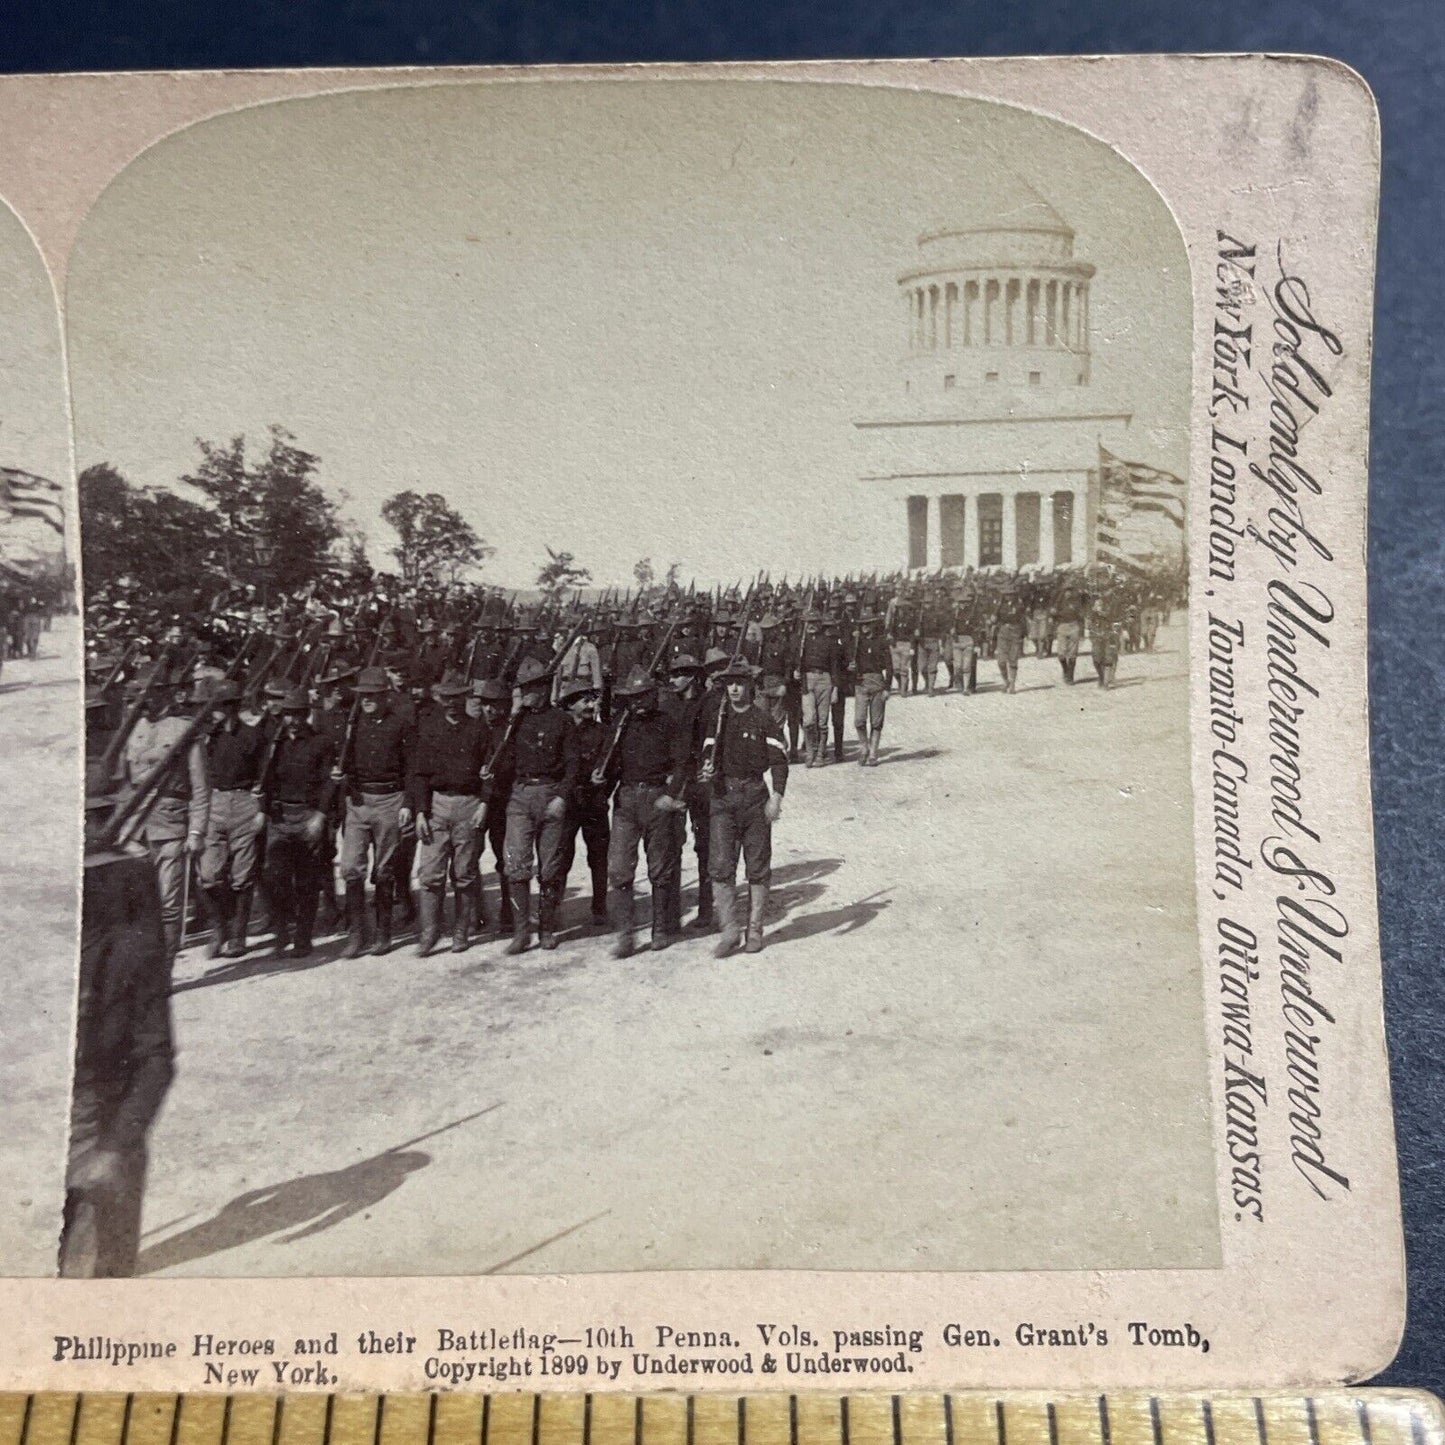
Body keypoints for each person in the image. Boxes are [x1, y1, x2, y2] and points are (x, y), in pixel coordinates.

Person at [62, 804, 175, 1277]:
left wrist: (113, 1148)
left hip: (100, 1119)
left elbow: (155, 1060)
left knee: (91, 1273)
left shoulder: (131, 957)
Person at [700, 657, 788, 957]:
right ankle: (729, 931)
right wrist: (707, 768)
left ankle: (755, 930)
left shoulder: (762, 719)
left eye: (740, 683)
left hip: (754, 798)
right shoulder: (719, 718)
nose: (734, 688)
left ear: (750, 686)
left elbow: (779, 761)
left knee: (757, 867)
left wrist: (776, 796)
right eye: (729, 684)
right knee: (721, 866)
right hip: (722, 797)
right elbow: (707, 750)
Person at [488, 656, 577, 954]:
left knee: (550, 867)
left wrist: (562, 796)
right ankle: (521, 932)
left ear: (543, 687)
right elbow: (501, 757)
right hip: (520, 795)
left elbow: (573, 764)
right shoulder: (516, 721)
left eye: (529, 688)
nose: (524, 693)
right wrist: (513, 716)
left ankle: (547, 930)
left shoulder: (562, 721)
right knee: (516, 865)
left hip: (550, 793)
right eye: (521, 688)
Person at [121, 668, 210, 962]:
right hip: (135, 827)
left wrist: (197, 831)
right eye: (140, 694)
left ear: (164, 693)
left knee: (169, 901)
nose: (144, 700)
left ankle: (166, 966)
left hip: (172, 822)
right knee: (139, 901)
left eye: (151, 693)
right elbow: (123, 782)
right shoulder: (133, 729)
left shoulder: (183, 728)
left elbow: (200, 786)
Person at [599, 666, 688, 956]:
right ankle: (625, 934)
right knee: (619, 869)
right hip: (626, 800)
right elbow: (610, 764)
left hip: (657, 798)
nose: (637, 702)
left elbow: (681, 763)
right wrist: (601, 781)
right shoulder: (620, 725)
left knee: (659, 868)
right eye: (632, 697)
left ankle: (660, 929)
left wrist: (671, 795)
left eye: (643, 696)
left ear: (653, 695)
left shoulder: (667, 722)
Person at [334, 665, 414, 958]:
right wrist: (340, 774)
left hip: (389, 799)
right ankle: (357, 934)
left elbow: (412, 769)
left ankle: (383, 934)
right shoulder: (352, 725)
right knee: (350, 868)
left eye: (372, 695)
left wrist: (407, 804)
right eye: (363, 695)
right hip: (357, 800)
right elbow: (342, 761)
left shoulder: (400, 725)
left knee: (384, 869)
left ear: (385, 696)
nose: (366, 700)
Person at [410, 671, 490, 955]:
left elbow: (488, 773)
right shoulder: (429, 728)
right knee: (430, 874)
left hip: (468, 805)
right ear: (439, 699)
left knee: (465, 873)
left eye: (457, 698)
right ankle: (429, 933)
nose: (452, 704)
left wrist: (484, 804)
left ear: (465, 698)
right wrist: (420, 811)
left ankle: (461, 931)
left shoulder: (478, 729)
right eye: (447, 698)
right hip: (438, 806)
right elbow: (419, 774)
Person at [259, 687, 336, 957]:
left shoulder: (321, 743)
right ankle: (281, 933)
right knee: (275, 877)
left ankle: (303, 936)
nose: (294, 720)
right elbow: (265, 780)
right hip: (279, 817)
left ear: (308, 715)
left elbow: (329, 783)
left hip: (308, 815)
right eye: (289, 714)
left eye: (299, 714)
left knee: (307, 880)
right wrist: (263, 808)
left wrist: (321, 816)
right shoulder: (274, 744)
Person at [197, 679, 266, 960]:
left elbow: (263, 775)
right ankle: (219, 927)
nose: (213, 712)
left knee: (242, 876)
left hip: (244, 802)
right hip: (215, 802)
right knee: (209, 875)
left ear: (231, 707)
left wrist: (260, 809)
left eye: (219, 706)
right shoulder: (208, 737)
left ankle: (238, 934)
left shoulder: (252, 736)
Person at [659, 653, 714, 932]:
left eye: (678, 675)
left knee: (705, 846)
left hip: (701, 783)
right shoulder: (670, 705)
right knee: (671, 846)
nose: (672, 680)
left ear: (692, 676)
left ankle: (706, 910)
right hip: (677, 781)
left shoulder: (709, 704)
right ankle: (671, 916)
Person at [558, 677, 611, 931]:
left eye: (592, 700)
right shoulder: (560, 729)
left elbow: (613, 764)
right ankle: (554, 905)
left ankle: (599, 906)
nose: (591, 705)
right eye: (584, 700)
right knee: (560, 855)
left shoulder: (603, 732)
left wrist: (603, 784)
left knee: (599, 857)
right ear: (570, 704)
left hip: (594, 802)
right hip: (568, 803)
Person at [852, 614, 891, 766]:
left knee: (876, 722)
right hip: (861, 683)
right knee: (859, 721)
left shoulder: (881, 642)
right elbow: (848, 659)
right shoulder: (857, 643)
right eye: (862, 624)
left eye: (868, 624)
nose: (864, 627)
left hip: (877, 682)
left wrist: (887, 687)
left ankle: (873, 753)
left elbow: (889, 666)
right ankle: (864, 748)